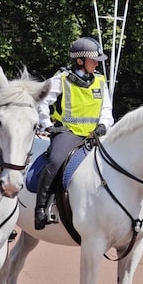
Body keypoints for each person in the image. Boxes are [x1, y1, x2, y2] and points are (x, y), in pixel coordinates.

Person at [34, 37, 114, 230]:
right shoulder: (61, 79)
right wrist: (47, 125)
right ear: (80, 61)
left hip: (95, 135)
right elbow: (41, 100)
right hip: (68, 134)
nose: (96, 64)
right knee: (55, 160)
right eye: (93, 60)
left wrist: (103, 124)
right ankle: (41, 209)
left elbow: (107, 109)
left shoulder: (100, 81)